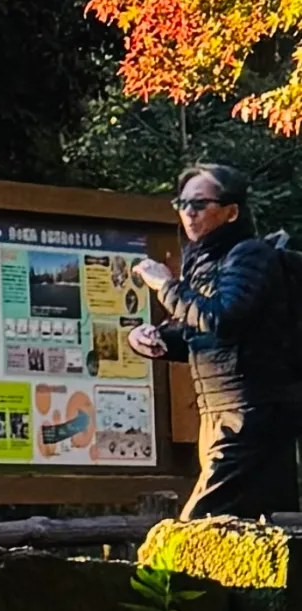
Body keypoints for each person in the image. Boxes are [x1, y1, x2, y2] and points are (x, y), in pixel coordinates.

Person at [128, 161, 302, 523]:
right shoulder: (206, 260)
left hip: (251, 412)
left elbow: (223, 317)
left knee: (198, 525)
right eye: (182, 204)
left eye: (199, 204)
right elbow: (206, 334)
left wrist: (165, 286)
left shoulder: (250, 254)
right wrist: (155, 338)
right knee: (259, 524)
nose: (188, 213)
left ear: (231, 211)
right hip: (222, 413)